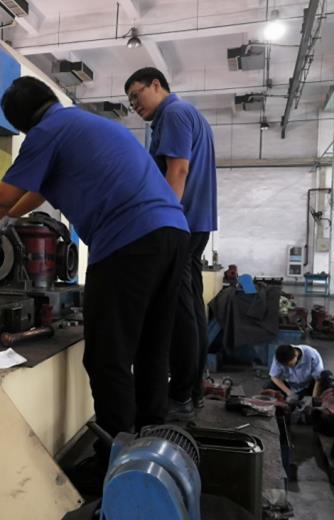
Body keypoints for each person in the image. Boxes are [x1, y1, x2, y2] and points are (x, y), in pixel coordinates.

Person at [0, 76, 190, 490]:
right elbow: (33, 195)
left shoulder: (46, 133)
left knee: (107, 356)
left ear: (23, 125)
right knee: (152, 347)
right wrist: (8, 220)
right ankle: (152, 449)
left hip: (128, 240)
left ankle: (115, 461)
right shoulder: (83, 123)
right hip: (173, 234)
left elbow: (2, 195)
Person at [124, 67, 217, 418]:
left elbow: (177, 170)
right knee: (191, 306)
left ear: (157, 85)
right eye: (130, 101)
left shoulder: (174, 114)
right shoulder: (187, 114)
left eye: (137, 95)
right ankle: (192, 390)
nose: (135, 105)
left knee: (179, 311)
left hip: (181, 223)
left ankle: (180, 395)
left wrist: (162, 221)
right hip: (196, 222)